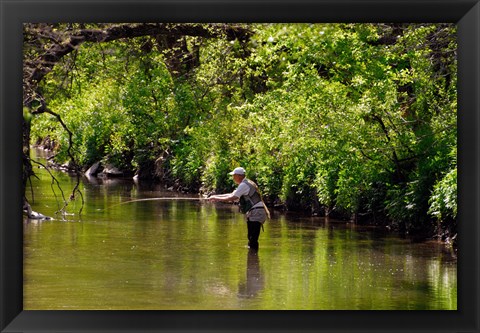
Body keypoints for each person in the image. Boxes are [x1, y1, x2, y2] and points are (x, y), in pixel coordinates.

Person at [208, 167, 270, 251]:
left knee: (253, 238)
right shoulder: (245, 183)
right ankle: (253, 259)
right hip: (255, 212)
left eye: (234, 176)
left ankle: (253, 259)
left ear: (239, 176)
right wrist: (215, 197)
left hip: (256, 212)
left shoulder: (244, 185)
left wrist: (217, 198)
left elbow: (233, 197)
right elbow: (231, 194)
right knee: (251, 237)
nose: (233, 178)